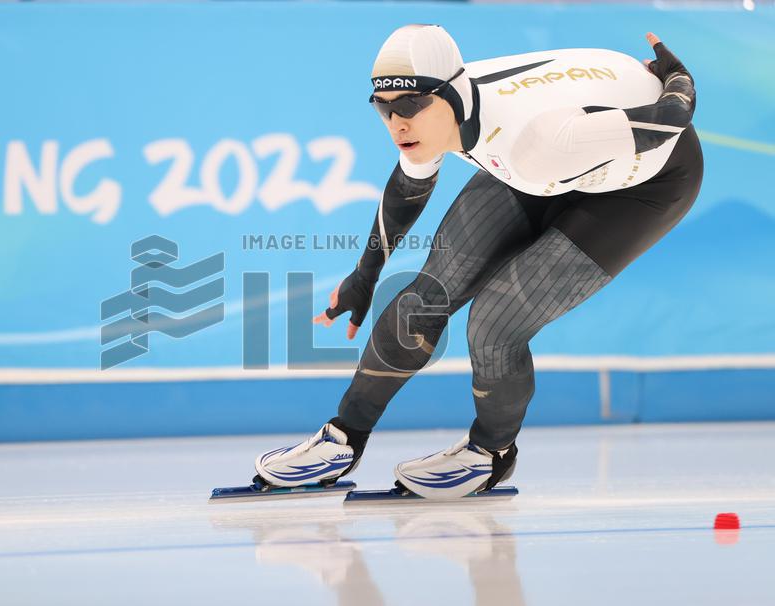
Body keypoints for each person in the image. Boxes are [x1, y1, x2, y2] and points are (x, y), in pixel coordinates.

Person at [255, 24, 702, 499]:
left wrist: (679, 77)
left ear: (452, 94)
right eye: (383, 109)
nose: (397, 123)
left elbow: (670, 119)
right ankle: (345, 437)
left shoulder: (534, 142)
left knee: (495, 323)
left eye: (409, 107)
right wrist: (365, 276)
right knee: (422, 300)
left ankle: (491, 452)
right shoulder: (442, 113)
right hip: (558, 147)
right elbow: (408, 189)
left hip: (645, 183)